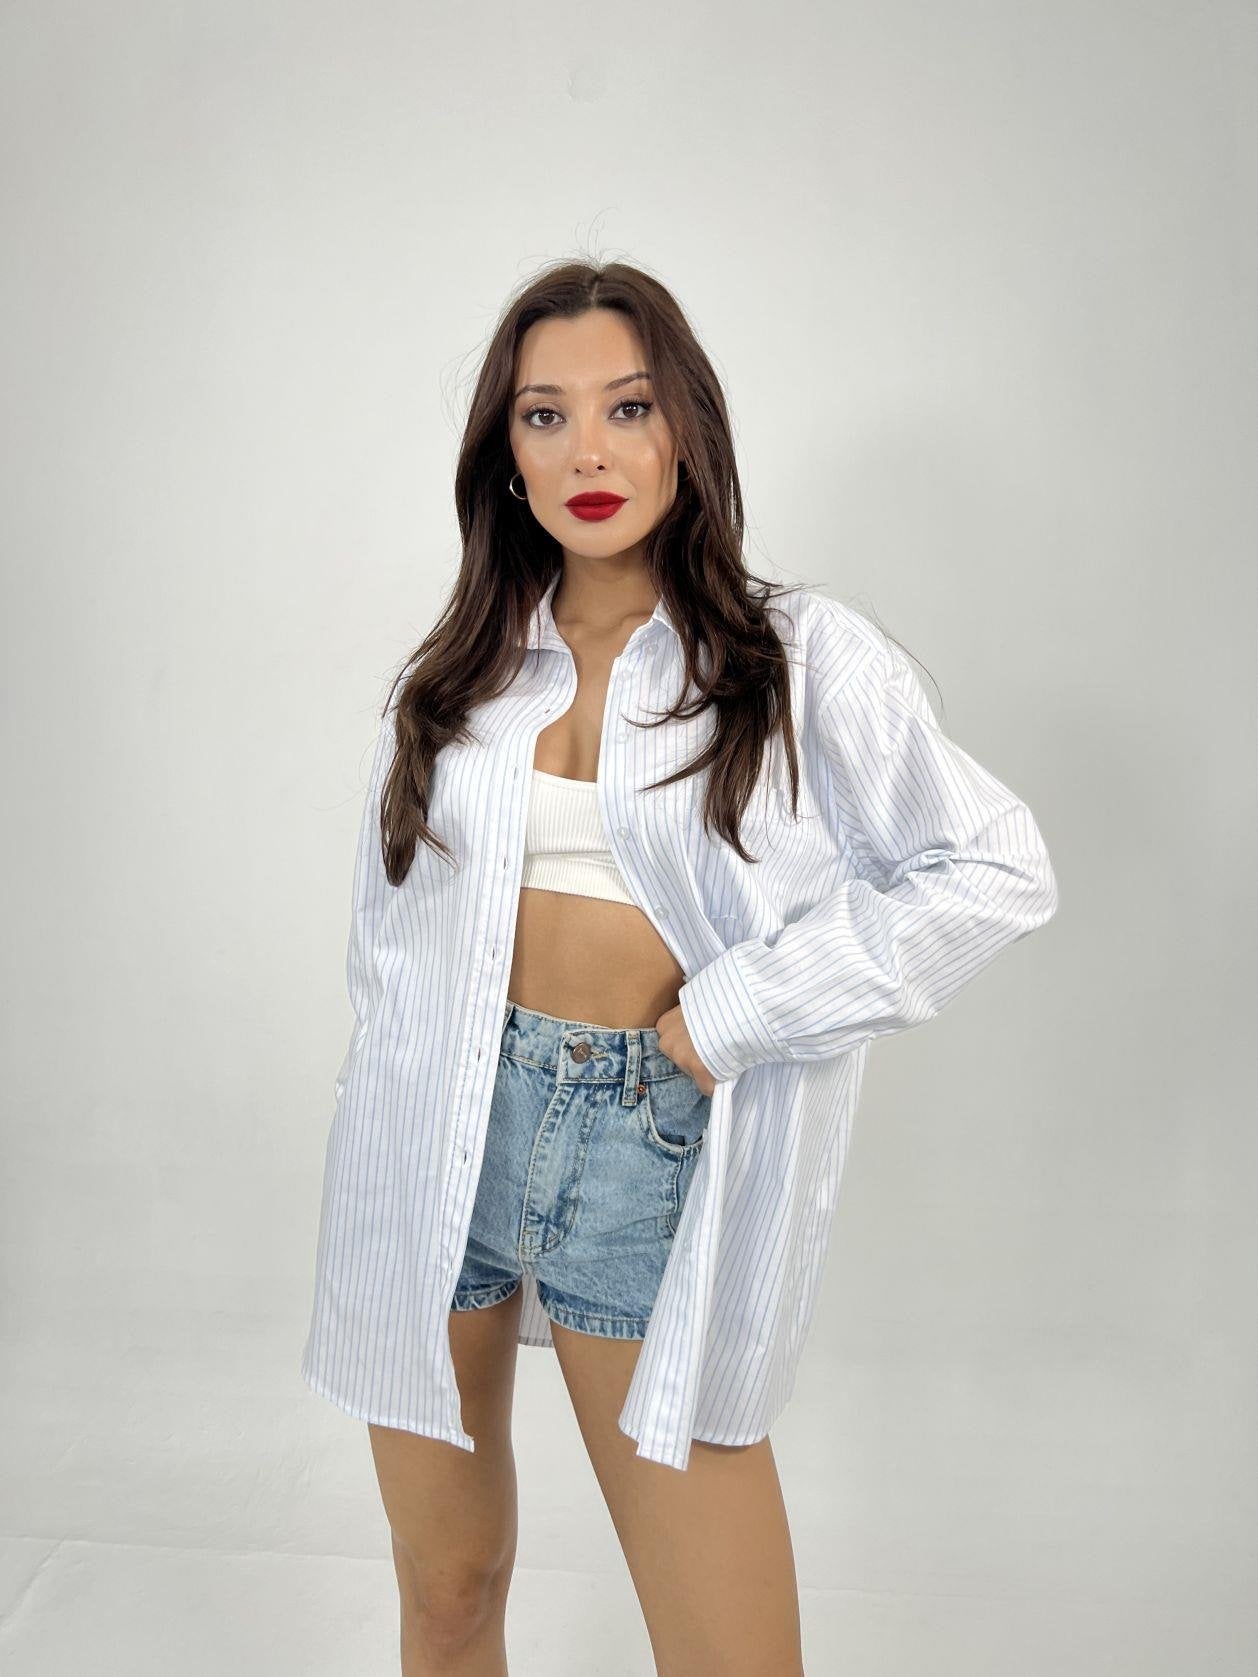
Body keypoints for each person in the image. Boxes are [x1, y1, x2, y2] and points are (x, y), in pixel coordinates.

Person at [300, 259, 1058, 1675]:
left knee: (728, 1655)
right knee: (447, 1588)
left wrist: (734, 1017)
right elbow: (386, 949)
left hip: (647, 1139)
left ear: (685, 429)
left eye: (628, 406)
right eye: (545, 415)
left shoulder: (796, 657)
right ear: (506, 455)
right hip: (432, 1139)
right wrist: (383, 1124)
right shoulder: (460, 673)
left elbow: (994, 868)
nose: (587, 451)